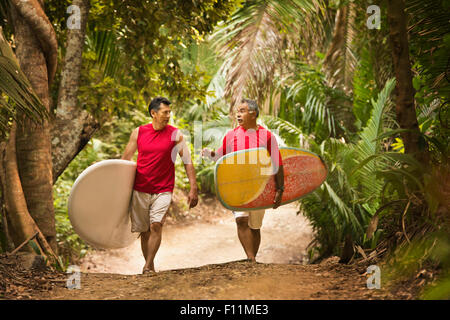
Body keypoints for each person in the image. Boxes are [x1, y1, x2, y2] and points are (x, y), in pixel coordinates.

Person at [122, 96, 198, 274]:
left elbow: (187, 161)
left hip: (163, 189)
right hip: (140, 188)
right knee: (144, 230)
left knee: (156, 224)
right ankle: (151, 265)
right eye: (165, 112)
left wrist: (193, 187)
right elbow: (126, 159)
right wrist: (120, 190)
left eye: (169, 112)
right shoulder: (139, 132)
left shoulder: (175, 134)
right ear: (153, 113)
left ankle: (147, 266)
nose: (168, 116)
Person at [202, 99, 284, 262]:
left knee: (255, 226)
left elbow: (278, 163)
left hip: (259, 187)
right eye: (237, 111)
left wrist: (279, 190)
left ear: (253, 114)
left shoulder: (267, 136)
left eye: (242, 111)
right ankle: (250, 258)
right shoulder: (231, 135)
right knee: (241, 220)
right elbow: (220, 156)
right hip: (238, 186)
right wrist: (209, 153)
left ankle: (252, 257)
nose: (238, 114)